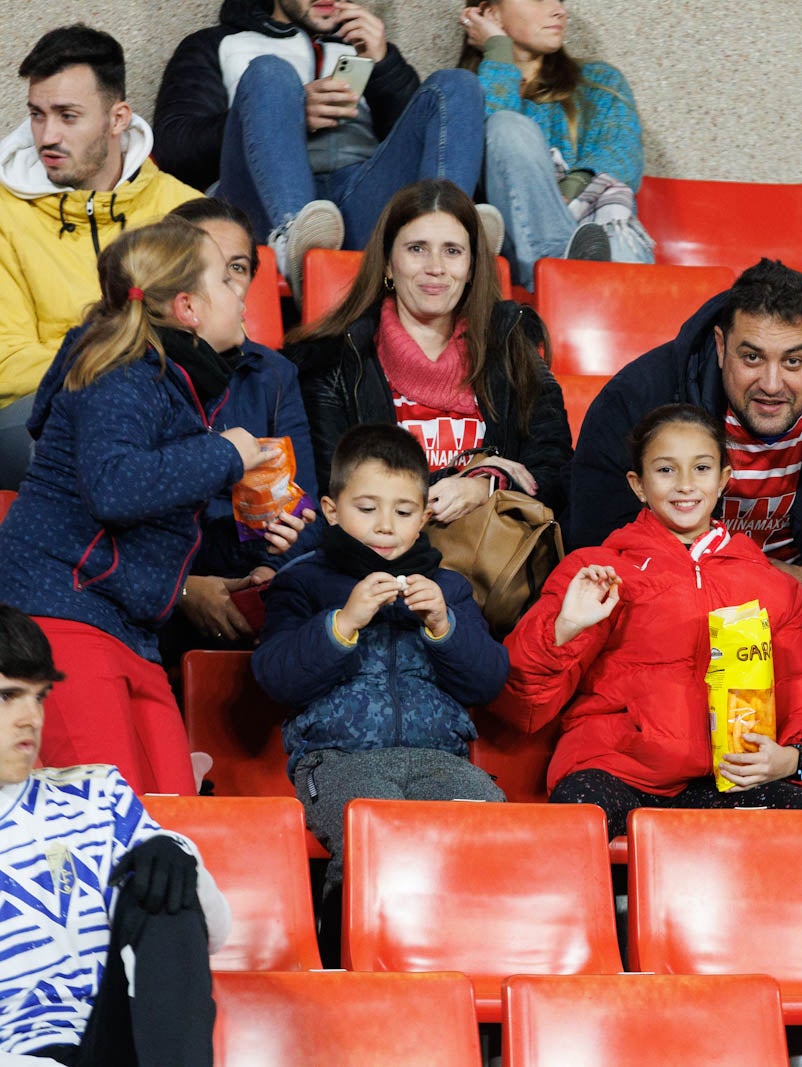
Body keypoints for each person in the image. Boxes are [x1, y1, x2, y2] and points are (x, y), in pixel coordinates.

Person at [0, 219, 267, 795]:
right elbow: (115, 486)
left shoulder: (169, 378)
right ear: (188, 307)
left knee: (173, 823)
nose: (241, 291)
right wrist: (224, 454)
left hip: (129, 631)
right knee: (103, 820)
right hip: (63, 616)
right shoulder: (121, 373)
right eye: (226, 279)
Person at [504, 404, 802, 840]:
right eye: (666, 470)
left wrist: (794, 758)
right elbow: (521, 704)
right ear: (639, 485)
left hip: (729, 781)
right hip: (616, 772)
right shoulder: (596, 572)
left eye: (701, 468)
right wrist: (563, 630)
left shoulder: (774, 587)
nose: (685, 484)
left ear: (723, 479)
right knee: (576, 820)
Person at [252, 424, 507, 955]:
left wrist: (444, 625)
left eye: (404, 511)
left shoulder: (450, 589)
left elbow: (488, 681)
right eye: (367, 508)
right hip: (337, 761)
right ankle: (349, 968)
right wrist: (342, 623)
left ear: (424, 516)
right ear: (330, 509)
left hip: (441, 760)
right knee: (375, 829)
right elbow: (275, 678)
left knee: (486, 818)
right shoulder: (303, 582)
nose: (385, 526)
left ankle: (457, 967)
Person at [567, 259, 802, 607]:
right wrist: (706, 586)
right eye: (752, 357)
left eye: (793, 361)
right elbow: (597, 536)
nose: (771, 384)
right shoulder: (637, 399)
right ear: (721, 346)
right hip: (672, 600)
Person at [0, 604, 230, 1066]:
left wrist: (180, 856)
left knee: (164, 874)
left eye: (39, 697)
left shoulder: (97, 791)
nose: (32, 718)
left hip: (115, 1039)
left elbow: (213, 934)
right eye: (9, 696)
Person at [153, 0, 492, 300]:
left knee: (457, 85)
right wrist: (287, 111)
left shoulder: (365, 47)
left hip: (359, 198)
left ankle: (449, 237)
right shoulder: (218, 44)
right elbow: (174, 149)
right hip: (260, 209)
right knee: (270, 72)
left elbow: (426, 145)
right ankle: (294, 240)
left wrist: (384, 65)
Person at [287, 179, 571, 524]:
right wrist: (468, 480)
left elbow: (557, 473)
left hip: (495, 550)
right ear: (388, 264)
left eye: (452, 251)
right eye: (417, 249)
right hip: (383, 552)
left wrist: (489, 486)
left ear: (471, 268)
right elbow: (335, 492)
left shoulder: (511, 346)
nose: (435, 267)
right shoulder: (334, 361)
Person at [0, 24, 199, 491]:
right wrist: (118, 372)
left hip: (165, 409)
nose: (47, 135)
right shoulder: (4, 215)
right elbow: (8, 361)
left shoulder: (184, 211)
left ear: (117, 119)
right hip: (42, 412)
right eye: (37, 115)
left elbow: (220, 336)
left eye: (68, 116)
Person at [165, 197, 319, 652]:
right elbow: (107, 525)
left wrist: (271, 572)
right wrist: (185, 589)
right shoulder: (131, 372)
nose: (228, 283)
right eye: (209, 264)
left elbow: (303, 503)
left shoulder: (273, 374)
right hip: (157, 586)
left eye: (238, 267)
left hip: (254, 575)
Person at [461, 0, 652, 285]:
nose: (559, 11)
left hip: (599, 223)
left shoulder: (599, 80)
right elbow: (486, 150)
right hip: (518, 248)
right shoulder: (463, 91)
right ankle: (564, 271)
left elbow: (623, 151)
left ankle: (563, 277)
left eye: (560, 0)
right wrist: (498, 51)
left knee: (620, 250)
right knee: (505, 126)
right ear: (491, 13)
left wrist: (571, 186)